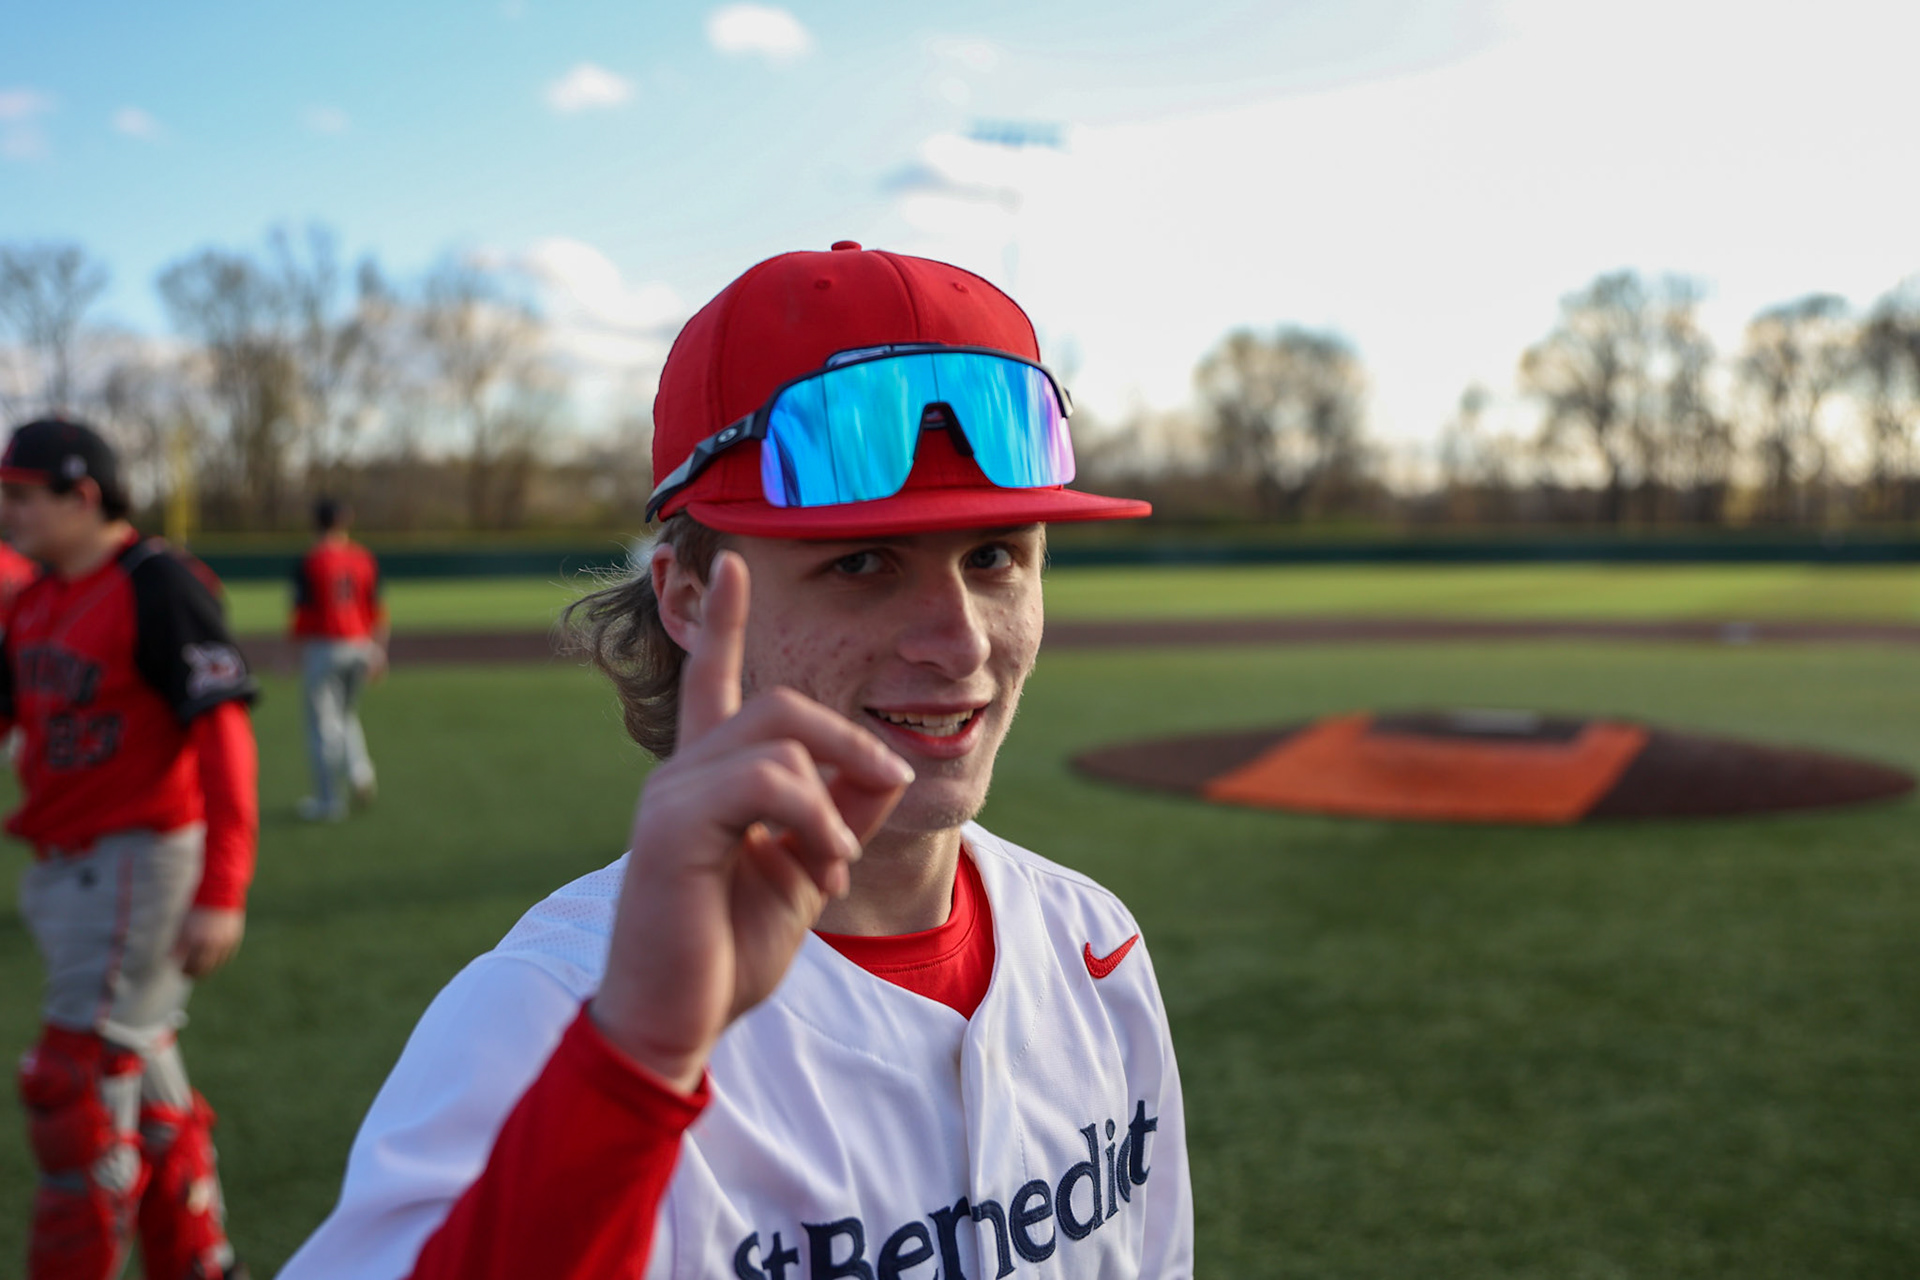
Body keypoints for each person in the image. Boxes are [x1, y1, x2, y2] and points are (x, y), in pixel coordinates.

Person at [281, 241, 1192, 1279]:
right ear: (685, 598)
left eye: (994, 556)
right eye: (861, 563)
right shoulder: (551, 1013)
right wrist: (635, 1062)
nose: (962, 640)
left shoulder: (1096, 943)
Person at [0, 417, 259, 1280]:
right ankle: (199, 1260)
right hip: (68, 869)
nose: (10, 512)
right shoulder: (37, 598)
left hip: (138, 862)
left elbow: (223, 736)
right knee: (146, 1085)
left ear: (83, 495)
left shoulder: (154, 581)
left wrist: (224, 887)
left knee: (71, 1087)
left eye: (23, 496)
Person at [290, 496, 386, 821]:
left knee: (322, 727)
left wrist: (287, 655)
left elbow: (301, 615)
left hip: (325, 648)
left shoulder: (311, 561)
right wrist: (379, 651)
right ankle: (360, 772)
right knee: (346, 716)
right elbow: (378, 611)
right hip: (361, 645)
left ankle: (329, 802)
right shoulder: (363, 558)